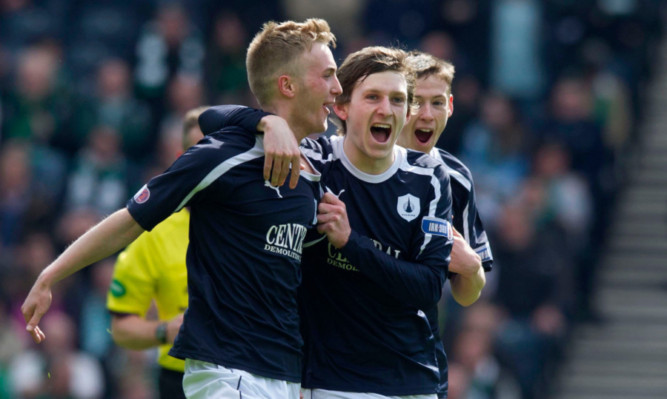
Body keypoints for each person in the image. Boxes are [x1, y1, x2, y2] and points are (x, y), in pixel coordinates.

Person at [21, 18, 342, 399]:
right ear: (287, 85)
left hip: (285, 373)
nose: (337, 89)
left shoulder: (315, 168)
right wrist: (51, 275)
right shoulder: (224, 155)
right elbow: (130, 220)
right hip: (227, 371)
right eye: (328, 76)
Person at [199, 46, 455, 398]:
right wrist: (266, 121)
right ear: (342, 107)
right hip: (329, 381)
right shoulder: (313, 161)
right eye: (373, 97)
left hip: (409, 378)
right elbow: (209, 118)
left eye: (397, 100)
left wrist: (351, 243)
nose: (386, 109)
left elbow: (428, 287)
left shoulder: (428, 176)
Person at [396, 51, 493, 398]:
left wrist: (471, 268)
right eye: (416, 102)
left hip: (419, 359)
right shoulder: (360, 163)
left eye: (437, 103)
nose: (426, 114)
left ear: (450, 106)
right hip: (343, 357)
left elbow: (468, 293)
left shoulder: (457, 179)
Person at [106, 106, 206, 399]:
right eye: (201, 151)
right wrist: (163, 331)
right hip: (179, 379)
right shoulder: (154, 232)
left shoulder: (256, 222)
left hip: (250, 374)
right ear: (182, 160)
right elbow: (121, 327)